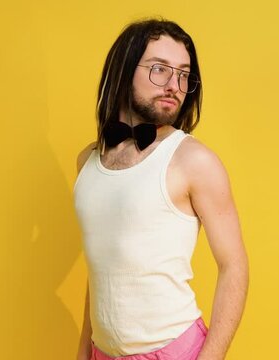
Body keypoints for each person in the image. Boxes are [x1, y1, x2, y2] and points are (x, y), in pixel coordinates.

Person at [73, 19, 248, 360]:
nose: (174, 85)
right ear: (124, 70)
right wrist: (83, 352)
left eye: (184, 74)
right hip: (102, 353)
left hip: (175, 351)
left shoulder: (193, 160)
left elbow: (235, 265)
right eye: (159, 69)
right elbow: (100, 268)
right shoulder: (87, 163)